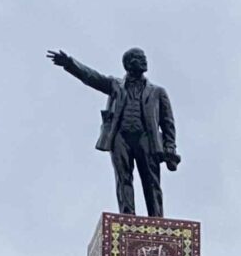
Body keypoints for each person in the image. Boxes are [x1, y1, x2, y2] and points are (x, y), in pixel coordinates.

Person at [47, 47, 180, 217]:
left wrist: (170, 147)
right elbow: (91, 77)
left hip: (147, 139)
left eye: (144, 57)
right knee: (123, 178)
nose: (144, 60)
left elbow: (168, 122)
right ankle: (127, 216)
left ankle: (157, 218)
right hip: (120, 137)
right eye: (139, 58)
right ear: (128, 64)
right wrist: (70, 64)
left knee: (151, 181)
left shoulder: (158, 92)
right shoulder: (115, 85)